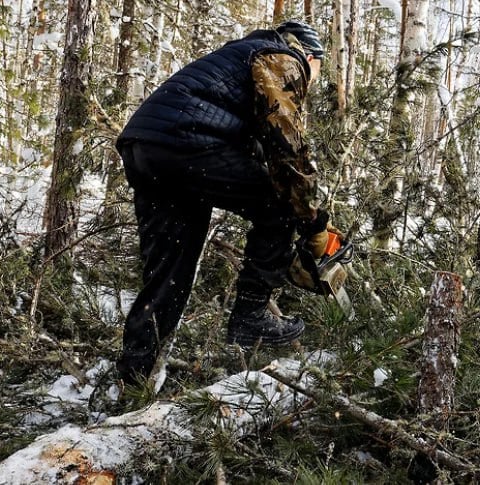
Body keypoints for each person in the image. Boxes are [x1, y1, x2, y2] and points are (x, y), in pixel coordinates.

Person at [115, 20, 337, 384]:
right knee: (281, 205)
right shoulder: (284, 56)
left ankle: (134, 379)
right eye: (317, 67)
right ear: (310, 56)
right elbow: (286, 143)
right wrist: (311, 220)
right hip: (189, 142)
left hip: (145, 148)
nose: (313, 77)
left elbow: (260, 146)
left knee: (169, 275)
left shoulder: (237, 59)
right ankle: (251, 316)